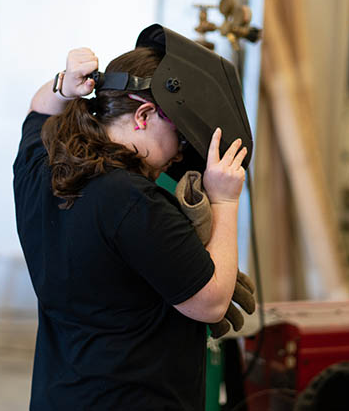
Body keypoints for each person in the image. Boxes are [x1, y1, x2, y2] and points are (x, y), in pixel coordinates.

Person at [13, 43, 248, 410]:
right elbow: (211, 303)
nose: (180, 153)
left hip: (59, 396)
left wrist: (63, 84)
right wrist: (225, 200)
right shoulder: (135, 202)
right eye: (180, 137)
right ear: (144, 115)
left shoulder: (41, 166)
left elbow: (39, 109)